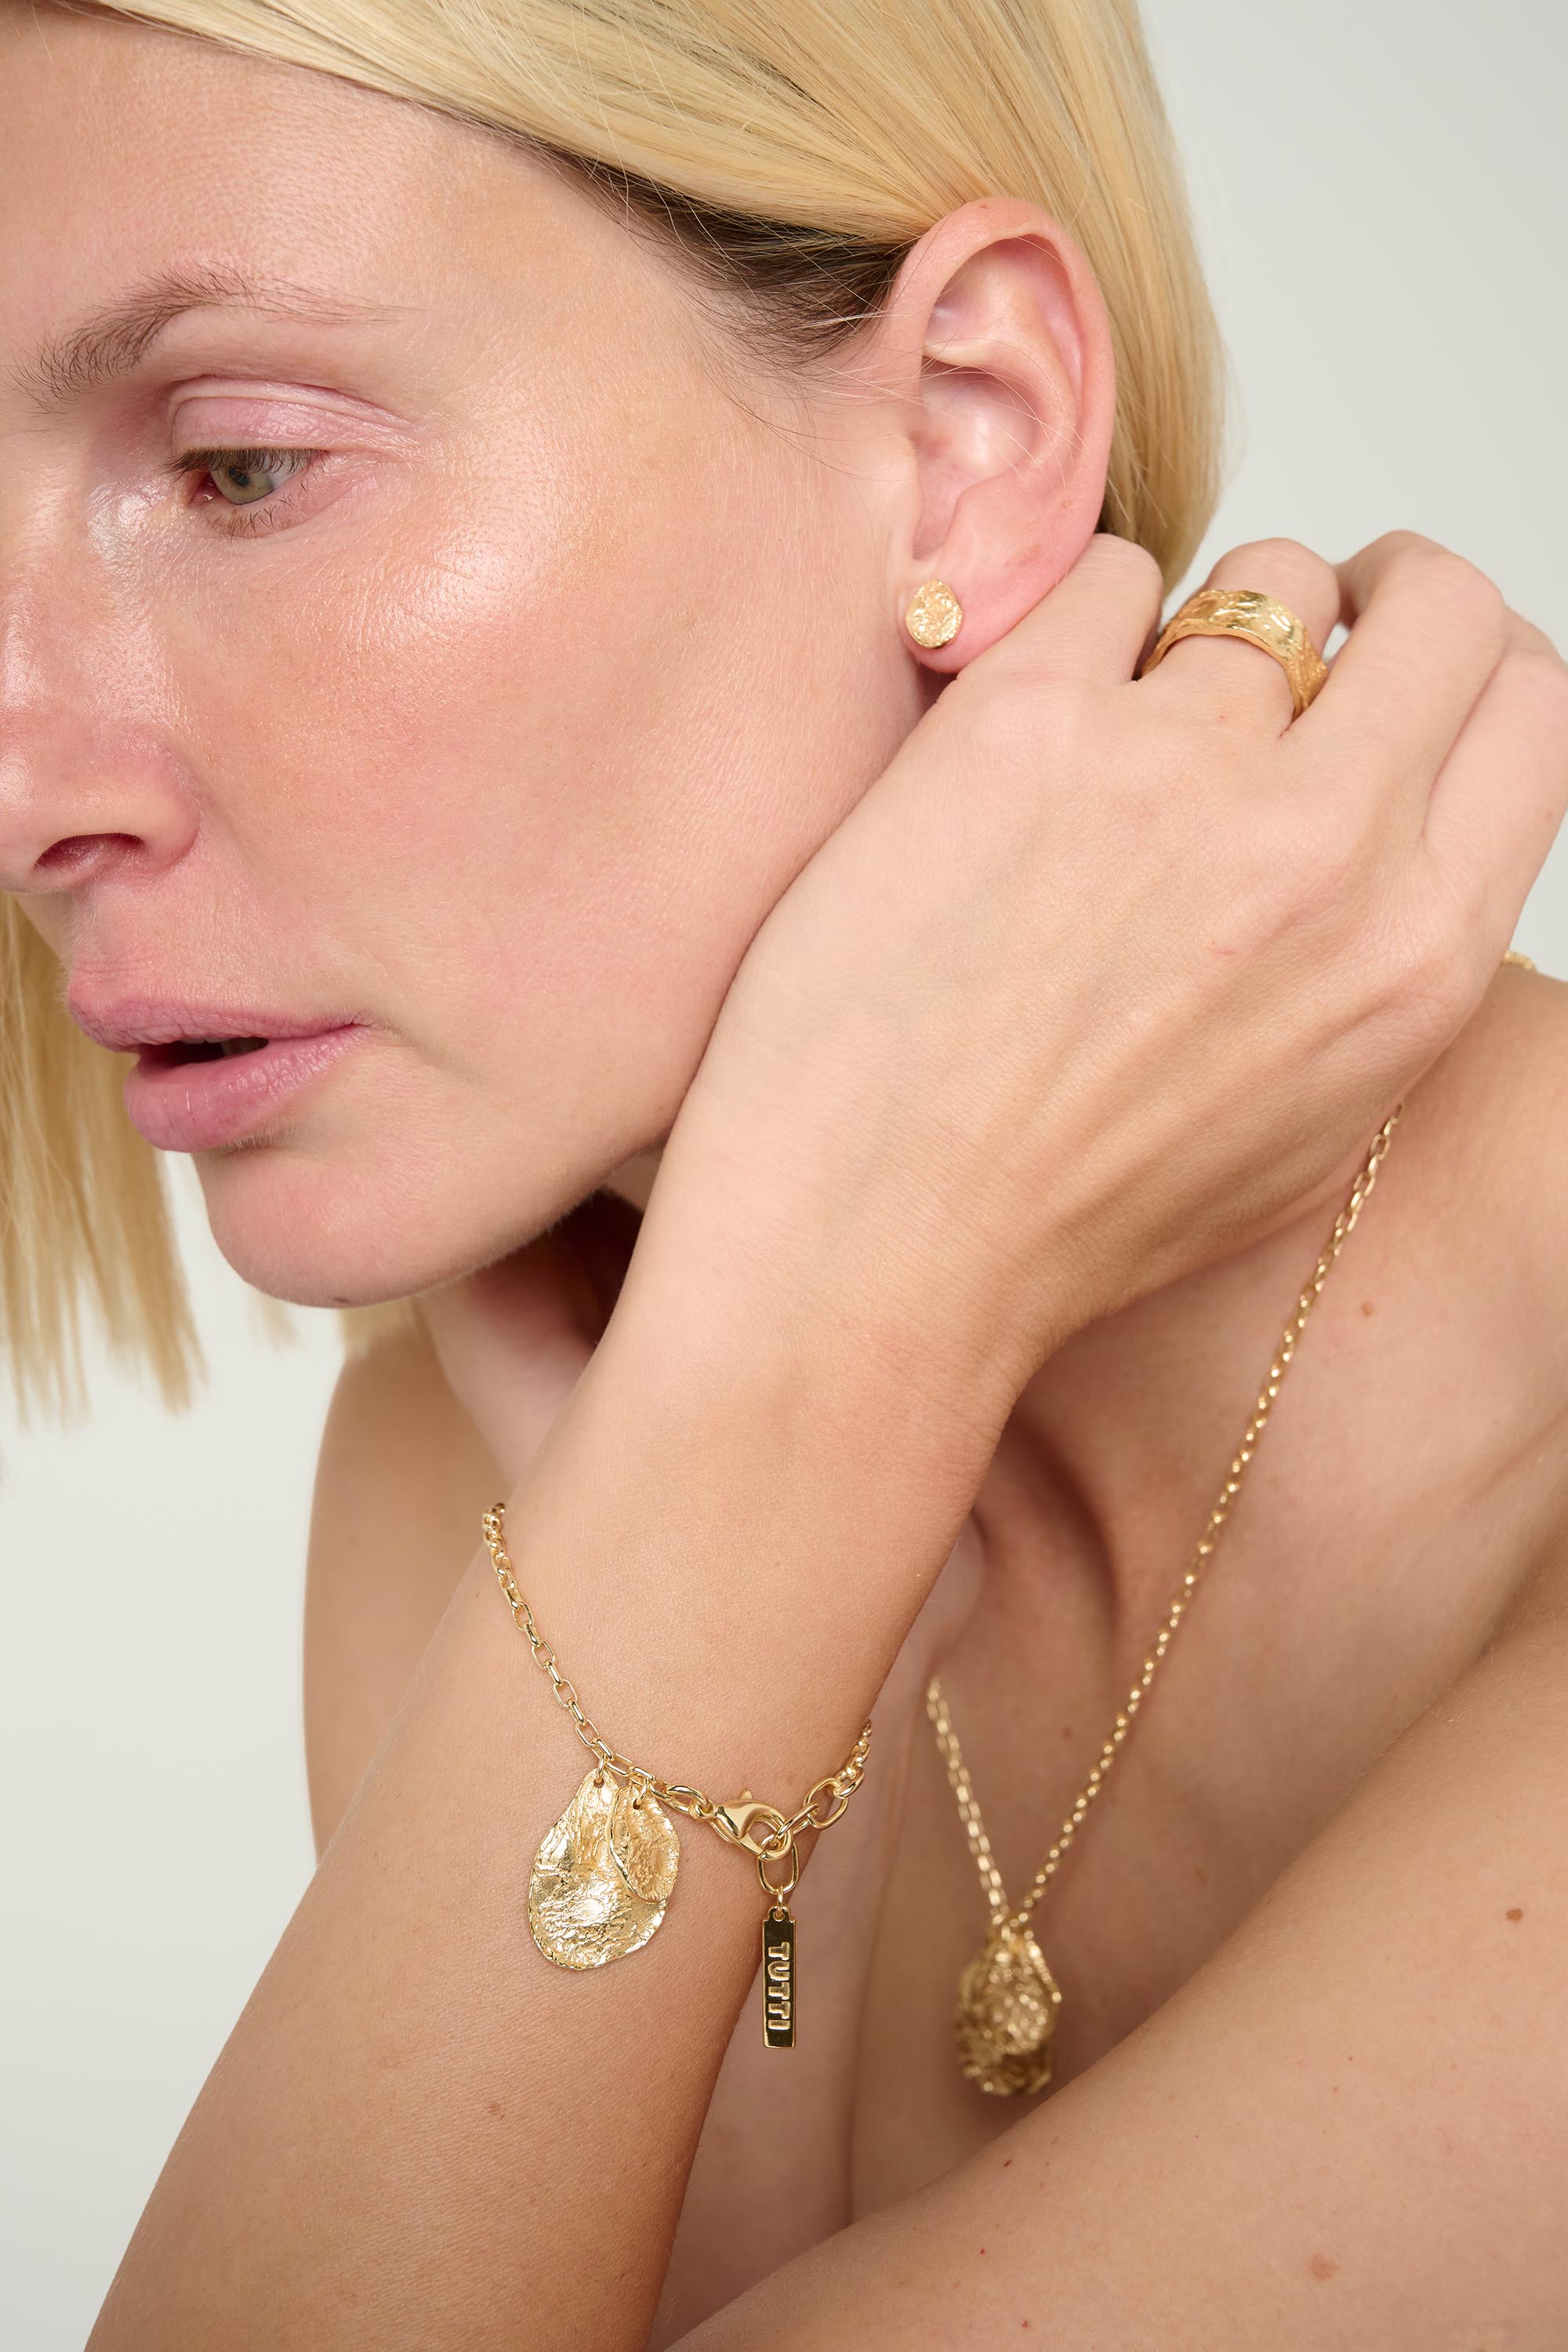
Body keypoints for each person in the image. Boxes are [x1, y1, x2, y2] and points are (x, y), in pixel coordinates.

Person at [3, 0, 1565, 2343]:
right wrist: (775, 1455)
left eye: (238, 468)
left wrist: (794, 1389)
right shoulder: (501, 1443)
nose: (27, 792)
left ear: (966, 436)